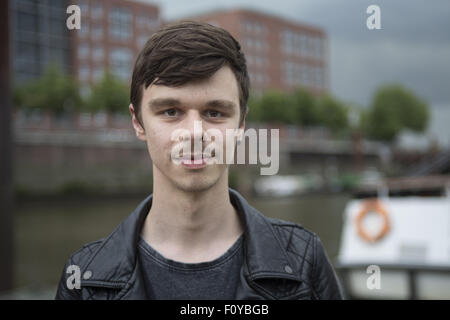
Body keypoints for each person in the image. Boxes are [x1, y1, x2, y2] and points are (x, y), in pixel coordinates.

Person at [55, 21, 343, 300]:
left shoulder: (305, 261)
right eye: (170, 111)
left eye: (214, 113)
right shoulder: (83, 280)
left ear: (241, 124)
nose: (194, 133)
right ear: (138, 122)